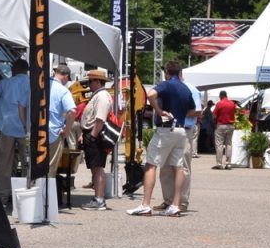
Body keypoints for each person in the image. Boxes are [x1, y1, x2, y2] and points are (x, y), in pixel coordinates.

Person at [127, 60, 195, 217]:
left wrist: (158, 110)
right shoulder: (185, 88)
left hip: (166, 129)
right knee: (178, 167)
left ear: (167, 73)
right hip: (181, 130)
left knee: (151, 164)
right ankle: (175, 205)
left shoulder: (167, 84)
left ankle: (145, 205)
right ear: (179, 72)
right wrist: (178, 113)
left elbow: (151, 94)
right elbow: (193, 109)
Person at [0, 59, 30, 206]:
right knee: (28, 164)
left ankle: (2, 198)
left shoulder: (6, 83)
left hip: (7, 128)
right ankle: (27, 197)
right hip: (27, 130)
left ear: (15, 69)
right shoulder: (32, 84)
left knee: (4, 165)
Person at [158, 75, 201, 212]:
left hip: (185, 129)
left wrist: (178, 113)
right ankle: (168, 200)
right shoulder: (166, 88)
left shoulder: (191, 89)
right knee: (165, 166)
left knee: (182, 167)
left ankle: (182, 202)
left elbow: (197, 110)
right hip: (167, 129)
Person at [79, 68, 113, 211]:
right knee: (95, 167)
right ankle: (97, 198)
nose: (88, 85)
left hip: (96, 135)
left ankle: (99, 199)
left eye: (90, 82)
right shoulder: (98, 95)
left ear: (98, 82)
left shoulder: (102, 97)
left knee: (98, 167)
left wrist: (92, 135)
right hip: (92, 133)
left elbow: (100, 119)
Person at [47, 63, 77, 180]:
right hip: (54, 134)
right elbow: (72, 111)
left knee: (34, 167)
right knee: (50, 169)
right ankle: (46, 191)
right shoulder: (63, 91)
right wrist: (66, 130)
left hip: (36, 132)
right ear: (66, 76)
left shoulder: (41, 85)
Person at [213, 90, 236, 170]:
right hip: (231, 125)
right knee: (229, 144)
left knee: (219, 145)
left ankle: (219, 164)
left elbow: (214, 116)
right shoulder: (232, 103)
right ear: (226, 95)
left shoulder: (219, 103)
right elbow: (234, 113)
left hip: (221, 125)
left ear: (220, 96)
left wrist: (214, 122)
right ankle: (228, 164)